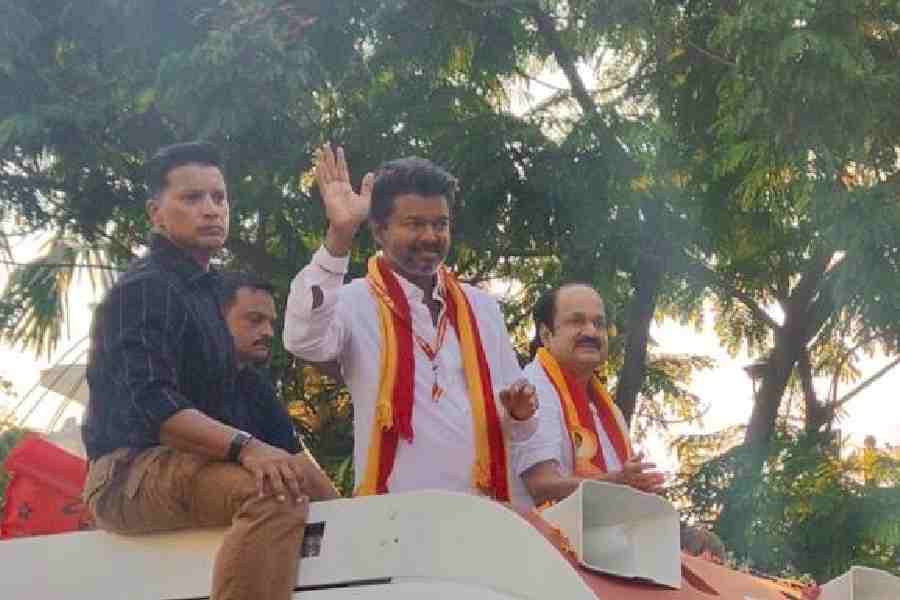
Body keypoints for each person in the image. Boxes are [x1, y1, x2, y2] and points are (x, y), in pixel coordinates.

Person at [82, 142, 335, 600]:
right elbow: (155, 407)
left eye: (219, 198)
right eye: (192, 198)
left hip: (189, 466)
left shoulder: (208, 294)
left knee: (291, 482)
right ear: (156, 214)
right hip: (127, 471)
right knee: (274, 494)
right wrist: (248, 448)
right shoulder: (145, 289)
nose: (211, 209)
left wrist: (359, 517)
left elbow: (278, 445)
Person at [284, 144, 538, 505]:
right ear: (379, 231)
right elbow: (302, 340)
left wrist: (520, 413)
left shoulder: (481, 307)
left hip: (487, 510)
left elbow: (519, 427)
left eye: (440, 224)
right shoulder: (354, 302)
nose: (431, 236)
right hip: (396, 514)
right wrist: (340, 234)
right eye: (414, 224)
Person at [514, 283, 666, 507]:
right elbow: (540, 486)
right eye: (577, 321)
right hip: (541, 529)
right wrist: (618, 483)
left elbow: (622, 483)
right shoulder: (533, 389)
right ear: (546, 335)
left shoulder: (607, 409)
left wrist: (640, 489)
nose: (591, 332)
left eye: (599, 323)